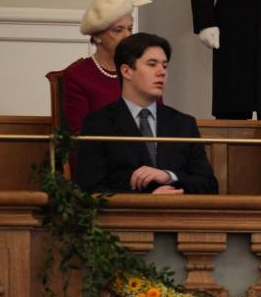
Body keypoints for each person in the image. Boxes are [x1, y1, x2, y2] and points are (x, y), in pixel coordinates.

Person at [74, 33, 218, 195]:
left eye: (164, 65)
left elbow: (209, 186)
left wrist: (169, 176)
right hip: (125, 218)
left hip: (178, 217)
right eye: (152, 64)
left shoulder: (184, 124)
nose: (162, 72)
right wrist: (148, 199)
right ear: (127, 71)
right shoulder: (98, 124)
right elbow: (89, 190)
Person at [62, 0, 151, 134]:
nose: (128, 36)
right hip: (101, 153)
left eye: (130, 29)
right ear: (97, 36)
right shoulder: (78, 76)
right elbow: (81, 132)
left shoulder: (143, 71)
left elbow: (159, 123)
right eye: (118, 30)